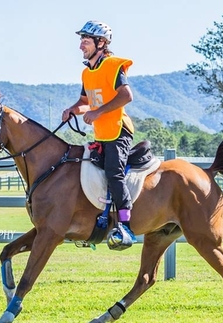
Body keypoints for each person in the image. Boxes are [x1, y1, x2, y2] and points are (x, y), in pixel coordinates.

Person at [62, 20, 137, 250]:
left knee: (114, 174)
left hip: (119, 131)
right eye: (81, 40)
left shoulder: (114, 66)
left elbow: (126, 96)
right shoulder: (87, 73)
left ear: (101, 42)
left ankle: (126, 227)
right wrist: (73, 109)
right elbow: (86, 102)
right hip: (102, 134)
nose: (81, 45)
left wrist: (98, 112)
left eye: (86, 40)